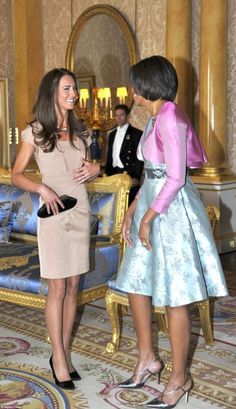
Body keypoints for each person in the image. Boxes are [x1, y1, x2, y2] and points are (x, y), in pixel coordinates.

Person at [115, 56, 228, 408]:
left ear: (148, 83)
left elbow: (176, 178)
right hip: (150, 204)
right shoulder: (153, 116)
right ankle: (148, 358)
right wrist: (133, 210)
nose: (132, 90)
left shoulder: (170, 116)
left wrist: (147, 218)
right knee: (134, 283)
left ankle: (180, 378)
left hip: (171, 212)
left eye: (135, 83)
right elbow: (151, 172)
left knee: (174, 295)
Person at [11, 68, 100, 390]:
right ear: (52, 93)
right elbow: (16, 174)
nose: (73, 93)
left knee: (74, 287)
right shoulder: (33, 132)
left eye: (74, 88)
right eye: (66, 89)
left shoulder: (83, 132)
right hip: (52, 213)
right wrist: (40, 189)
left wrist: (96, 168)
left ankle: (61, 354)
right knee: (57, 289)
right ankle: (59, 357)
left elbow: (88, 169)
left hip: (80, 212)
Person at [105, 104, 143, 204]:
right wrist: (106, 173)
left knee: (127, 204)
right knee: (113, 204)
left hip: (129, 173)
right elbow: (110, 155)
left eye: (121, 115)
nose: (118, 118)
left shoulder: (136, 133)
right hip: (114, 173)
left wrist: (137, 177)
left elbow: (138, 157)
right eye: (116, 115)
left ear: (127, 116)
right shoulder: (112, 134)